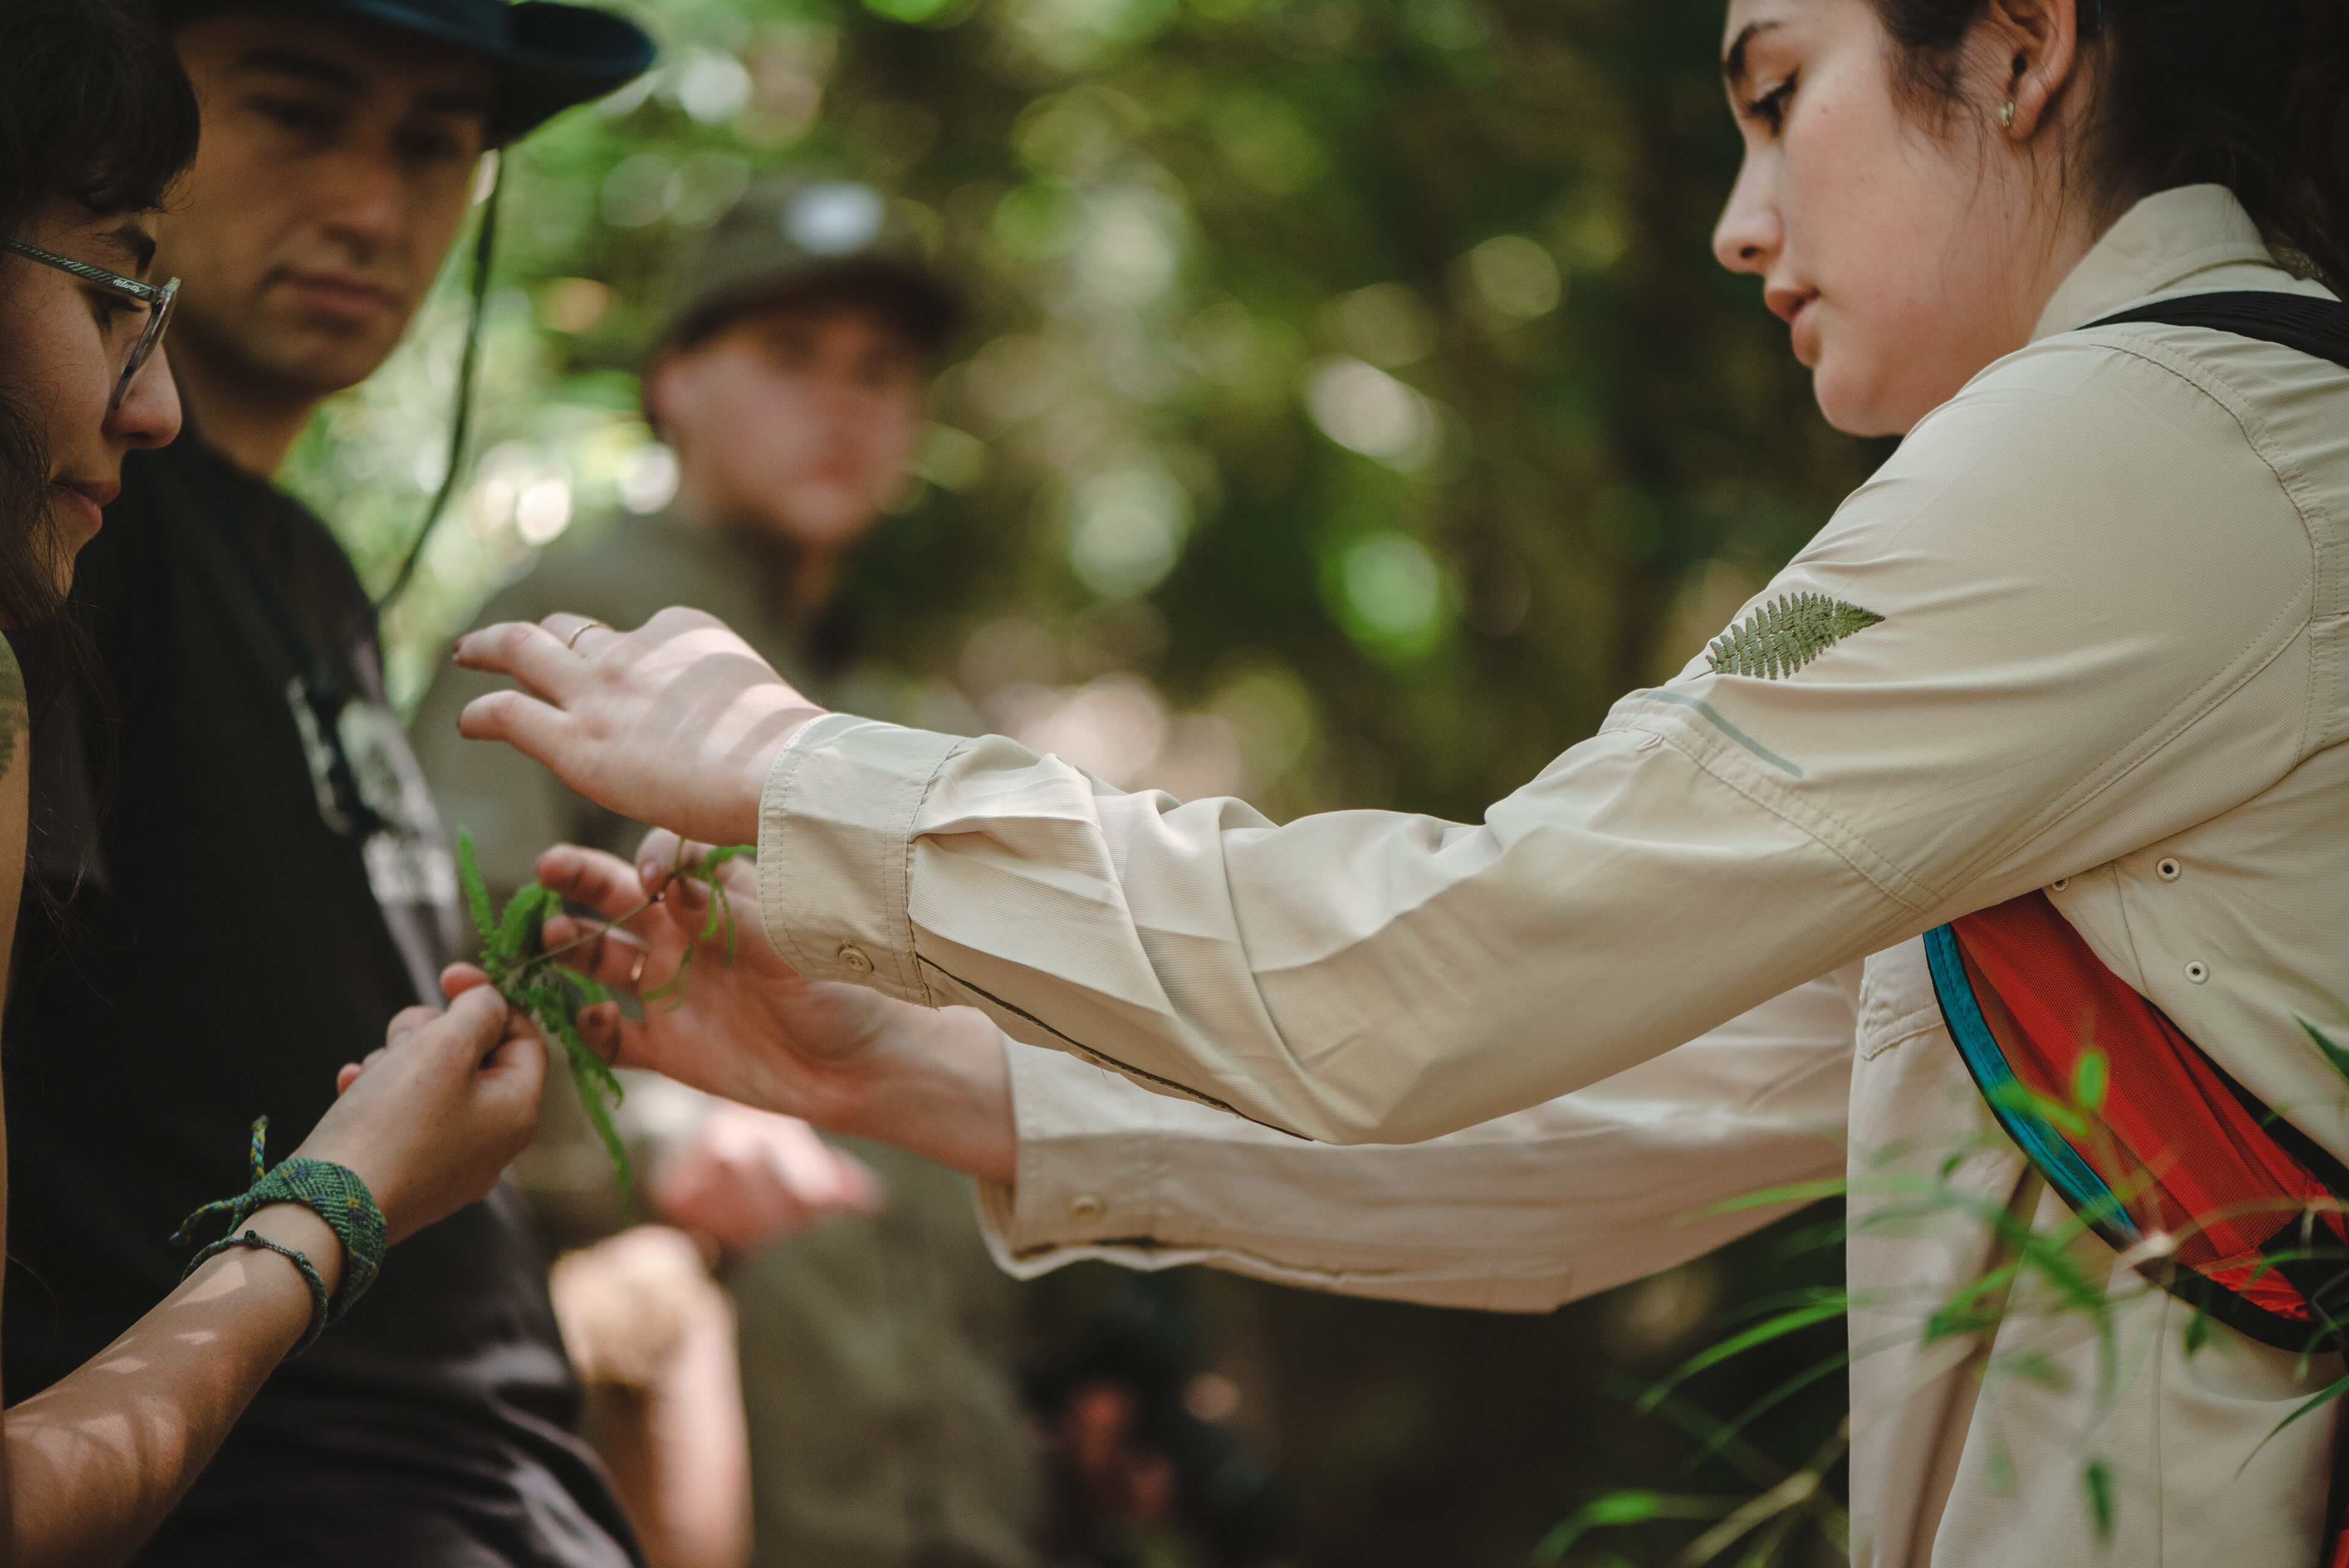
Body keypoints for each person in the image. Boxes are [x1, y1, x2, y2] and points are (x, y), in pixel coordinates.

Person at [453, 0, 2349, 1562]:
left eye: (1778, 101)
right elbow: (1624, 1116)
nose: (1739, 222)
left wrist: (806, 772)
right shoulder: (2193, 467)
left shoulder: (2128, 445)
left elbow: (1448, 962)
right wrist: (920, 1071)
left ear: (2020, 48)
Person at [2, 2, 661, 1564]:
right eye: (298, 111)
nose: (373, 206)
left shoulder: (299, 568)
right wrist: (333, 1212)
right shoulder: (69, 539)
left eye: (436, 147)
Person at [412, 177, 1048, 1568]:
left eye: (882, 370)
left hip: (949, 1476)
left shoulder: (906, 708)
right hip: (678, 1452)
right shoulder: (567, 626)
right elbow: (439, 946)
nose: (843, 404)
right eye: (789, 354)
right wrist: (646, 1137)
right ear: (674, 384)